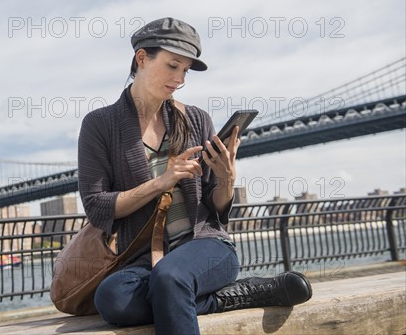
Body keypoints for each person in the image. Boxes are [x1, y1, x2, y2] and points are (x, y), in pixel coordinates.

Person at [77, 17, 312, 334]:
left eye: (185, 71)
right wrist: (162, 181)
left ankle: (191, 289)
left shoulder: (197, 120)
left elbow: (217, 208)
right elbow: (97, 206)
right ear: (142, 58)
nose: (179, 79)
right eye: (172, 66)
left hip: (207, 247)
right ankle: (234, 296)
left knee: (171, 278)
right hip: (146, 257)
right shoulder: (100, 125)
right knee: (113, 299)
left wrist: (226, 178)